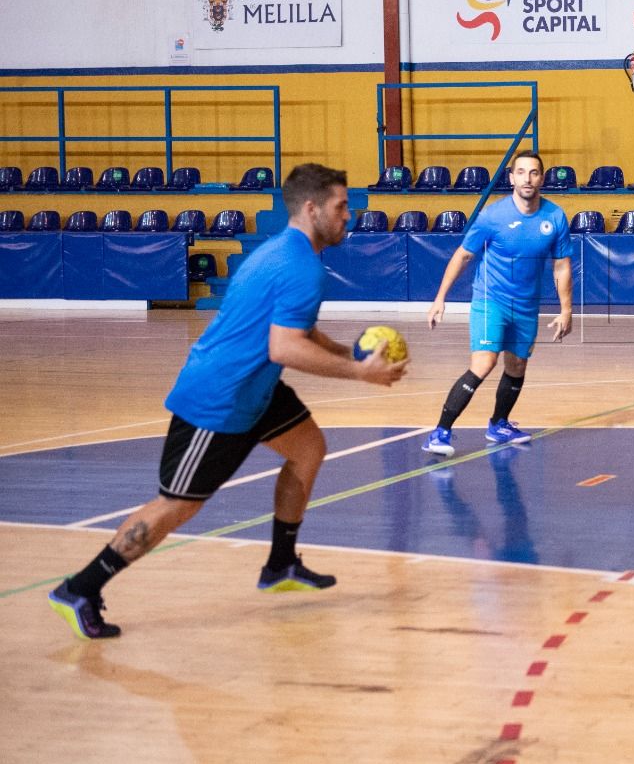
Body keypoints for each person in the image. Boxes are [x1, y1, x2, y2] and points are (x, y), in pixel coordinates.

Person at [47, 164, 409, 640]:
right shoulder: (300, 266)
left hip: (255, 388)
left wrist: (345, 351)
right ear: (311, 208)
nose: (350, 216)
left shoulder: (284, 252)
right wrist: (359, 371)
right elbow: (285, 348)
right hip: (220, 399)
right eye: (342, 207)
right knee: (175, 506)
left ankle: (280, 565)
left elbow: (297, 328)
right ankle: (80, 588)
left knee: (308, 448)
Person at [422, 151, 573, 456]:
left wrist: (566, 309)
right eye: (521, 172)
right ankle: (440, 433)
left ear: (541, 178)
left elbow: (562, 266)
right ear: (512, 178)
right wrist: (440, 297)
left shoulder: (555, 217)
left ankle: (499, 424)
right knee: (484, 363)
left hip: (527, 306)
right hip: (491, 300)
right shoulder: (493, 217)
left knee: (517, 365)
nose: (528, 178)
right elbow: (464, 255)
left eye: (534, 173)